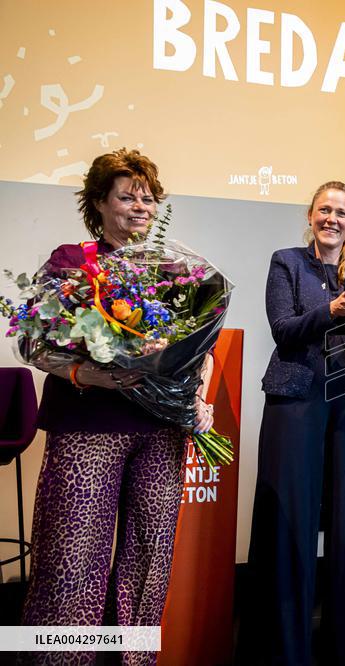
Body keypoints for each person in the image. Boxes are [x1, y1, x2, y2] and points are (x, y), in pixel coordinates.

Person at [19, 149, 214, 666]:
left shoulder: (177, 270)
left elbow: (201, 350)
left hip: (160, 433)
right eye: (126, 196)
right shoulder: (70, 261)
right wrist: (89, 372)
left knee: (149, 561)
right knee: (72, 560)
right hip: (87, 428)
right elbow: (34, 344)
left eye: (148, 198)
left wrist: (196, 399)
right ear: (99, 203)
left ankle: (135, 660)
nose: (140, 207)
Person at [238, 181, 345, 665]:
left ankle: (339, 644)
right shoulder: (286, 261)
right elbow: (283, 329)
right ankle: (286, 648)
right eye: (324, 210)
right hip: (297, 397)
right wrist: (330, 309)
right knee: (293, 522)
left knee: (344, 522)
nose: (332, 219)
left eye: (342, 213)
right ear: (310, 216)